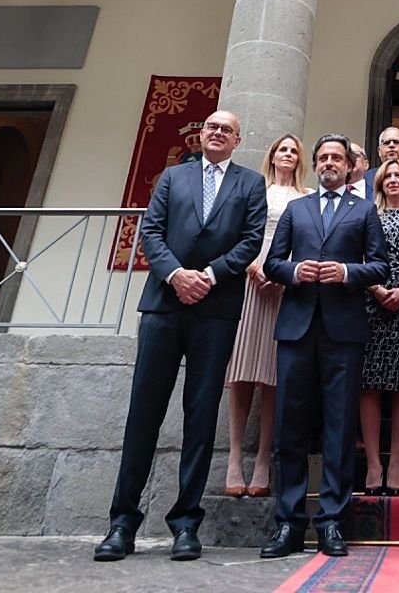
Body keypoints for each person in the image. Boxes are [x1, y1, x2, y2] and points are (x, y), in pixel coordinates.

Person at [96, 110, 266, 564]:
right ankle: (122, 522)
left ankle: (186, 523)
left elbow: (250, 241)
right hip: (163, 306)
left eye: (227, 129)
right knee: (143, 413)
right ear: (202, 134)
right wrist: (174, 274)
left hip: (215, 309)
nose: (218, 133)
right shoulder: (174, 177)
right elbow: (150, 231)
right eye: (212, 127)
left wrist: (208, 276)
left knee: (201, 414)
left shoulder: (250, 184)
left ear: (237, 139)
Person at [260, 135, 389, 560]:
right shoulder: (297, 209)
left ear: (351, 165)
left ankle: (333, 520)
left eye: (338, 157)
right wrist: (296, 270)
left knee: (338, 428)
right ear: (315, 165)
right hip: (297, 327)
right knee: (289, 428)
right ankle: (288, 524)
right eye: (324, 158)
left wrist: (347, 272)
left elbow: (380, 265)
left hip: (344, 331)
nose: (330, 163)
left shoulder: (364, 210)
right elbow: (273, 263)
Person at [224, 134, 309, 499]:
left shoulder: (306, 198)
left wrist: (282, 275)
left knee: (274, 376)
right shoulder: (256, 190)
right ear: (272, 156)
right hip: (250, 283)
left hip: (284, 288)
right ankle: (233, 458)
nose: (287, 154)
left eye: (293, 150)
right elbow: (241, 233)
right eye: (282, 149)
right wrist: (251, 268)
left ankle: (262, 459)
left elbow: (307, 244)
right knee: (242, 372)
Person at [360, 158, 399, 495]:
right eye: (389, 176)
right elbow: (360, 256)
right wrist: (377, 288)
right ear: (380, 183)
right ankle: (373, 462)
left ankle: (395, 462)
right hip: (372, 300)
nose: (394, 179)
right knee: (368, 383)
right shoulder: (367, 215)